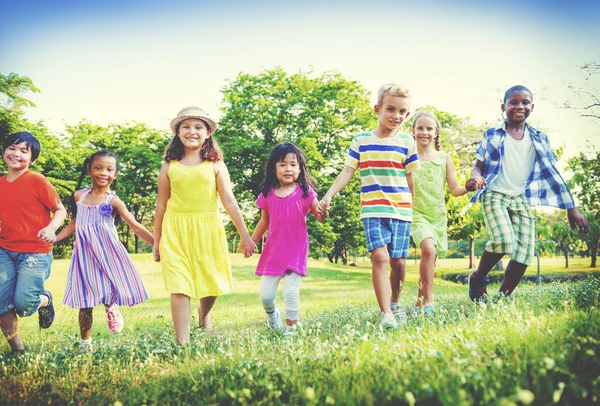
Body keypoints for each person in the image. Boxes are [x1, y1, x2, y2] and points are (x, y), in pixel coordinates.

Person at [465, 85, 589, 302]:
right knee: (504, 241)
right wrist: (476, 177)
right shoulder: (492, 135)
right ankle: (478, 278)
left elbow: (553, 174)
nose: (519, 106)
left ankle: (501, 299)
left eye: (525, 102)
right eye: (513, 102)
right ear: (504, 107)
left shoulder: (540, 138)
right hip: (494, 193)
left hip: (520, 198)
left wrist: (572, 208)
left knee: (524, 253)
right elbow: (479, 166)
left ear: (532, 106)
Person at [318, 84, 419, 329]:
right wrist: (329, 194)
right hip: (373, 210)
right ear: (377, 109)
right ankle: (386, 314)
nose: (396, 116)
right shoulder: (361, 140)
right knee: (380, 258)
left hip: (401, 210)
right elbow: (347, 171)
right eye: (390, 109)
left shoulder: (407, 142)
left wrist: (413, 206)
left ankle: (395, 302)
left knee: (399, 263)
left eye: (402, 112)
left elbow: (410, 179)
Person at [154, 106, 255, 345]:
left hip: (207, 229)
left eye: (198, 127)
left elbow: (229, 201)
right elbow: (160, 205)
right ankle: (183, 343)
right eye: (186, 127)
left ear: (208, 132)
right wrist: (157, 241)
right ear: (178, 133)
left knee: (212, 281)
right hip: (175, 230)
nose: (192, 131)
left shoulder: (216, 165)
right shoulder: (169, 166)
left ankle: (203, 313)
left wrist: (245, 236)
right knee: (178, 284)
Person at [56, 151, 153, 350]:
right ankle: (85, 342)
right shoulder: (79, 196)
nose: (103, 173)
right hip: (84, 255)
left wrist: (157, 244)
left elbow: (135, 226)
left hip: (108, 253)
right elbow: (76, 222)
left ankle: (111, 306)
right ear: (90, 170)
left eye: (109, 169)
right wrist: (55, 238)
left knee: (108, 287)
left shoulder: (113, 201)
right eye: (98, 168)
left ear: (115, 175)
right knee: (85, 300)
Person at [250, 142, 327, 336]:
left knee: (291, 292)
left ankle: (291, 329)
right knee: (266, 296)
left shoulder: (305, 191)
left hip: (296, 250)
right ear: (274, 168)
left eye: (293, 164)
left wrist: (324, 211)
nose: (288, 169)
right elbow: (263, 222)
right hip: (273, 251)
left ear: (300, 169)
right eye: (282, 164)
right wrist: (250, 241)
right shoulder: (267, 194)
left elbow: (320, 217)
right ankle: (273, 316)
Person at [0, 131, 67, 352]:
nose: (16, 153)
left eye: (23, 150)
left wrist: (51, 228)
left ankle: (45, 299)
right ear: (3, 151)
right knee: (0, 300)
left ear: (32, 159)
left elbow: (60, 210)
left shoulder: (37, 180)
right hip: (5, 249)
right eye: (12, 147)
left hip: (35, 252)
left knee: (24, 305)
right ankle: (18, 350)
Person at [410, 111, 468, 314]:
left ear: (436, 133)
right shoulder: (406, 157)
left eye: (429, 128)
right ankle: (428, 301)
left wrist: (469, 186)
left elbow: (454, 189)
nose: (424, 132)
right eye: (420, 128)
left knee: (430, 260)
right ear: (413, 131)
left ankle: (419, 301)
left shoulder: (444, 158)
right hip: (416, 214)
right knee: (427, 250)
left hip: (437, 216)